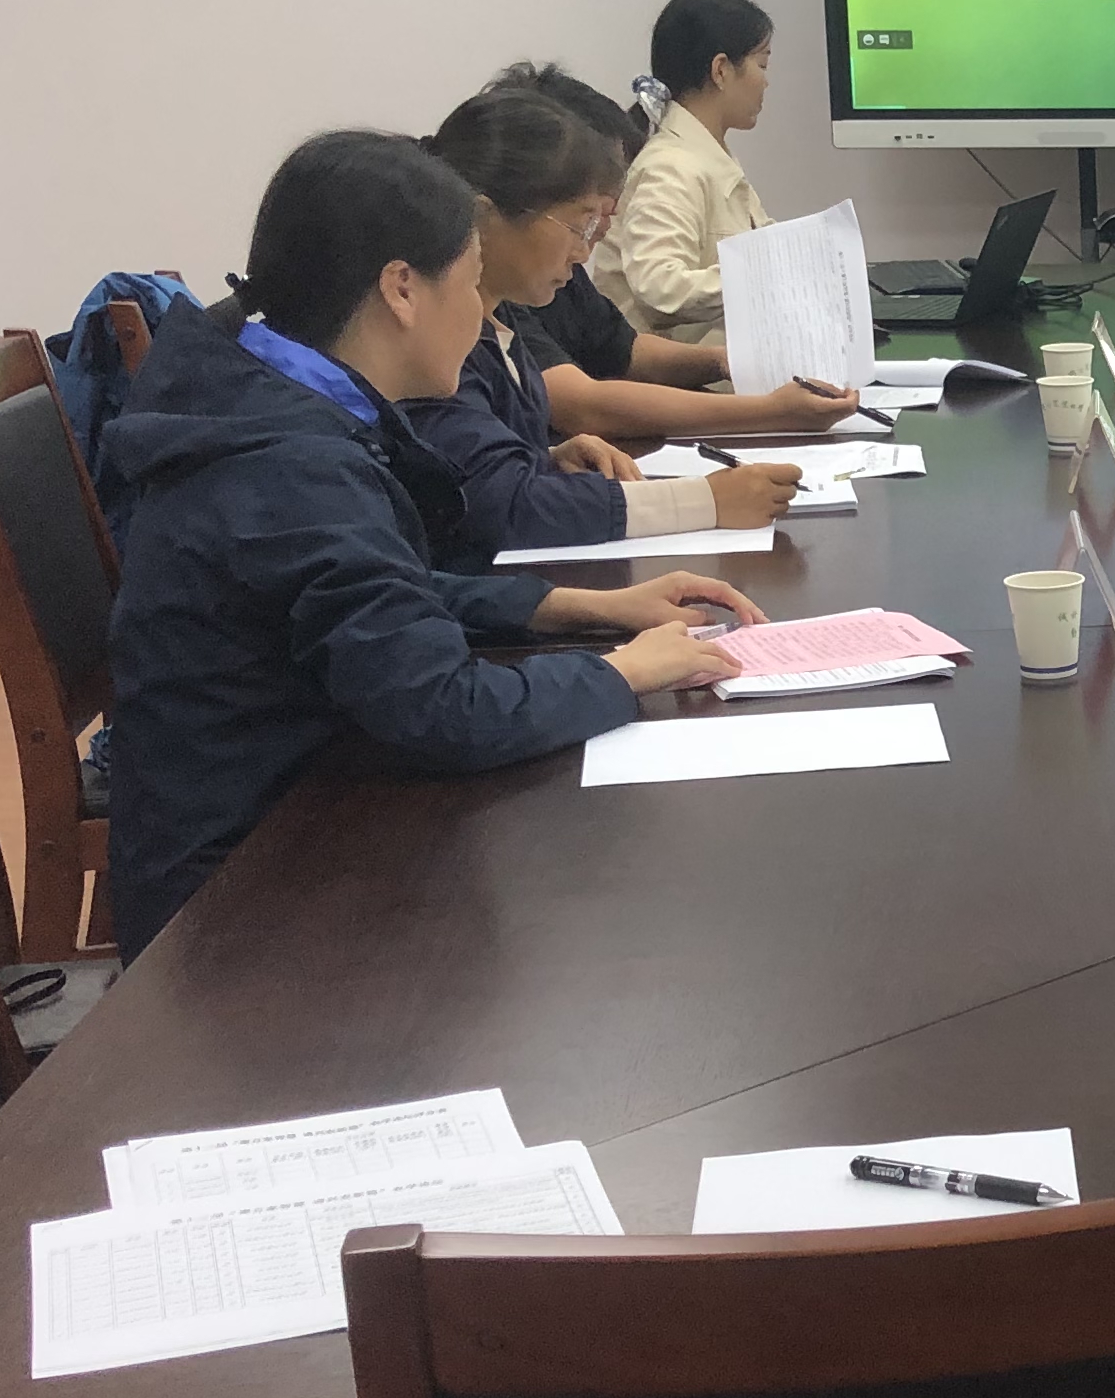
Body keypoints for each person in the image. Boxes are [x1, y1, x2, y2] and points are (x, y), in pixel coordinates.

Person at [104, 131, 751, 953]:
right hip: (237, 907)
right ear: (402, 289)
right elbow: (442, 708)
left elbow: (379, 589)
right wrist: (622, 673)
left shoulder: (272, 399)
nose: (481, 315)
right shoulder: (290, 466)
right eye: (473, 283)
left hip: (302, 813)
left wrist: (570, 606)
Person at [406, 80, 807, 566]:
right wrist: (705, 500)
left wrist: (545, 462)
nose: (585, 250)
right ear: (486, 219)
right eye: (580, 224)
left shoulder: (497, 319)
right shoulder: (437, 343)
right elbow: (504, 507)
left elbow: (476, 474)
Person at [492, 64, 860, 443]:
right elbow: (582, 405)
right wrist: (774, 412)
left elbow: (624, 350)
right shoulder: (494, 297)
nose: (607, 221)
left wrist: (727, 361)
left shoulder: (552, 275)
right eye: (589, 212)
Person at [589, 0, 774, 342]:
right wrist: (763, 277)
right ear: (721, 70)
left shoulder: (705, 156)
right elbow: (660, 286)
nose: (766, 81)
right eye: (762, 64)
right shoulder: (671, 166)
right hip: (674, 374)